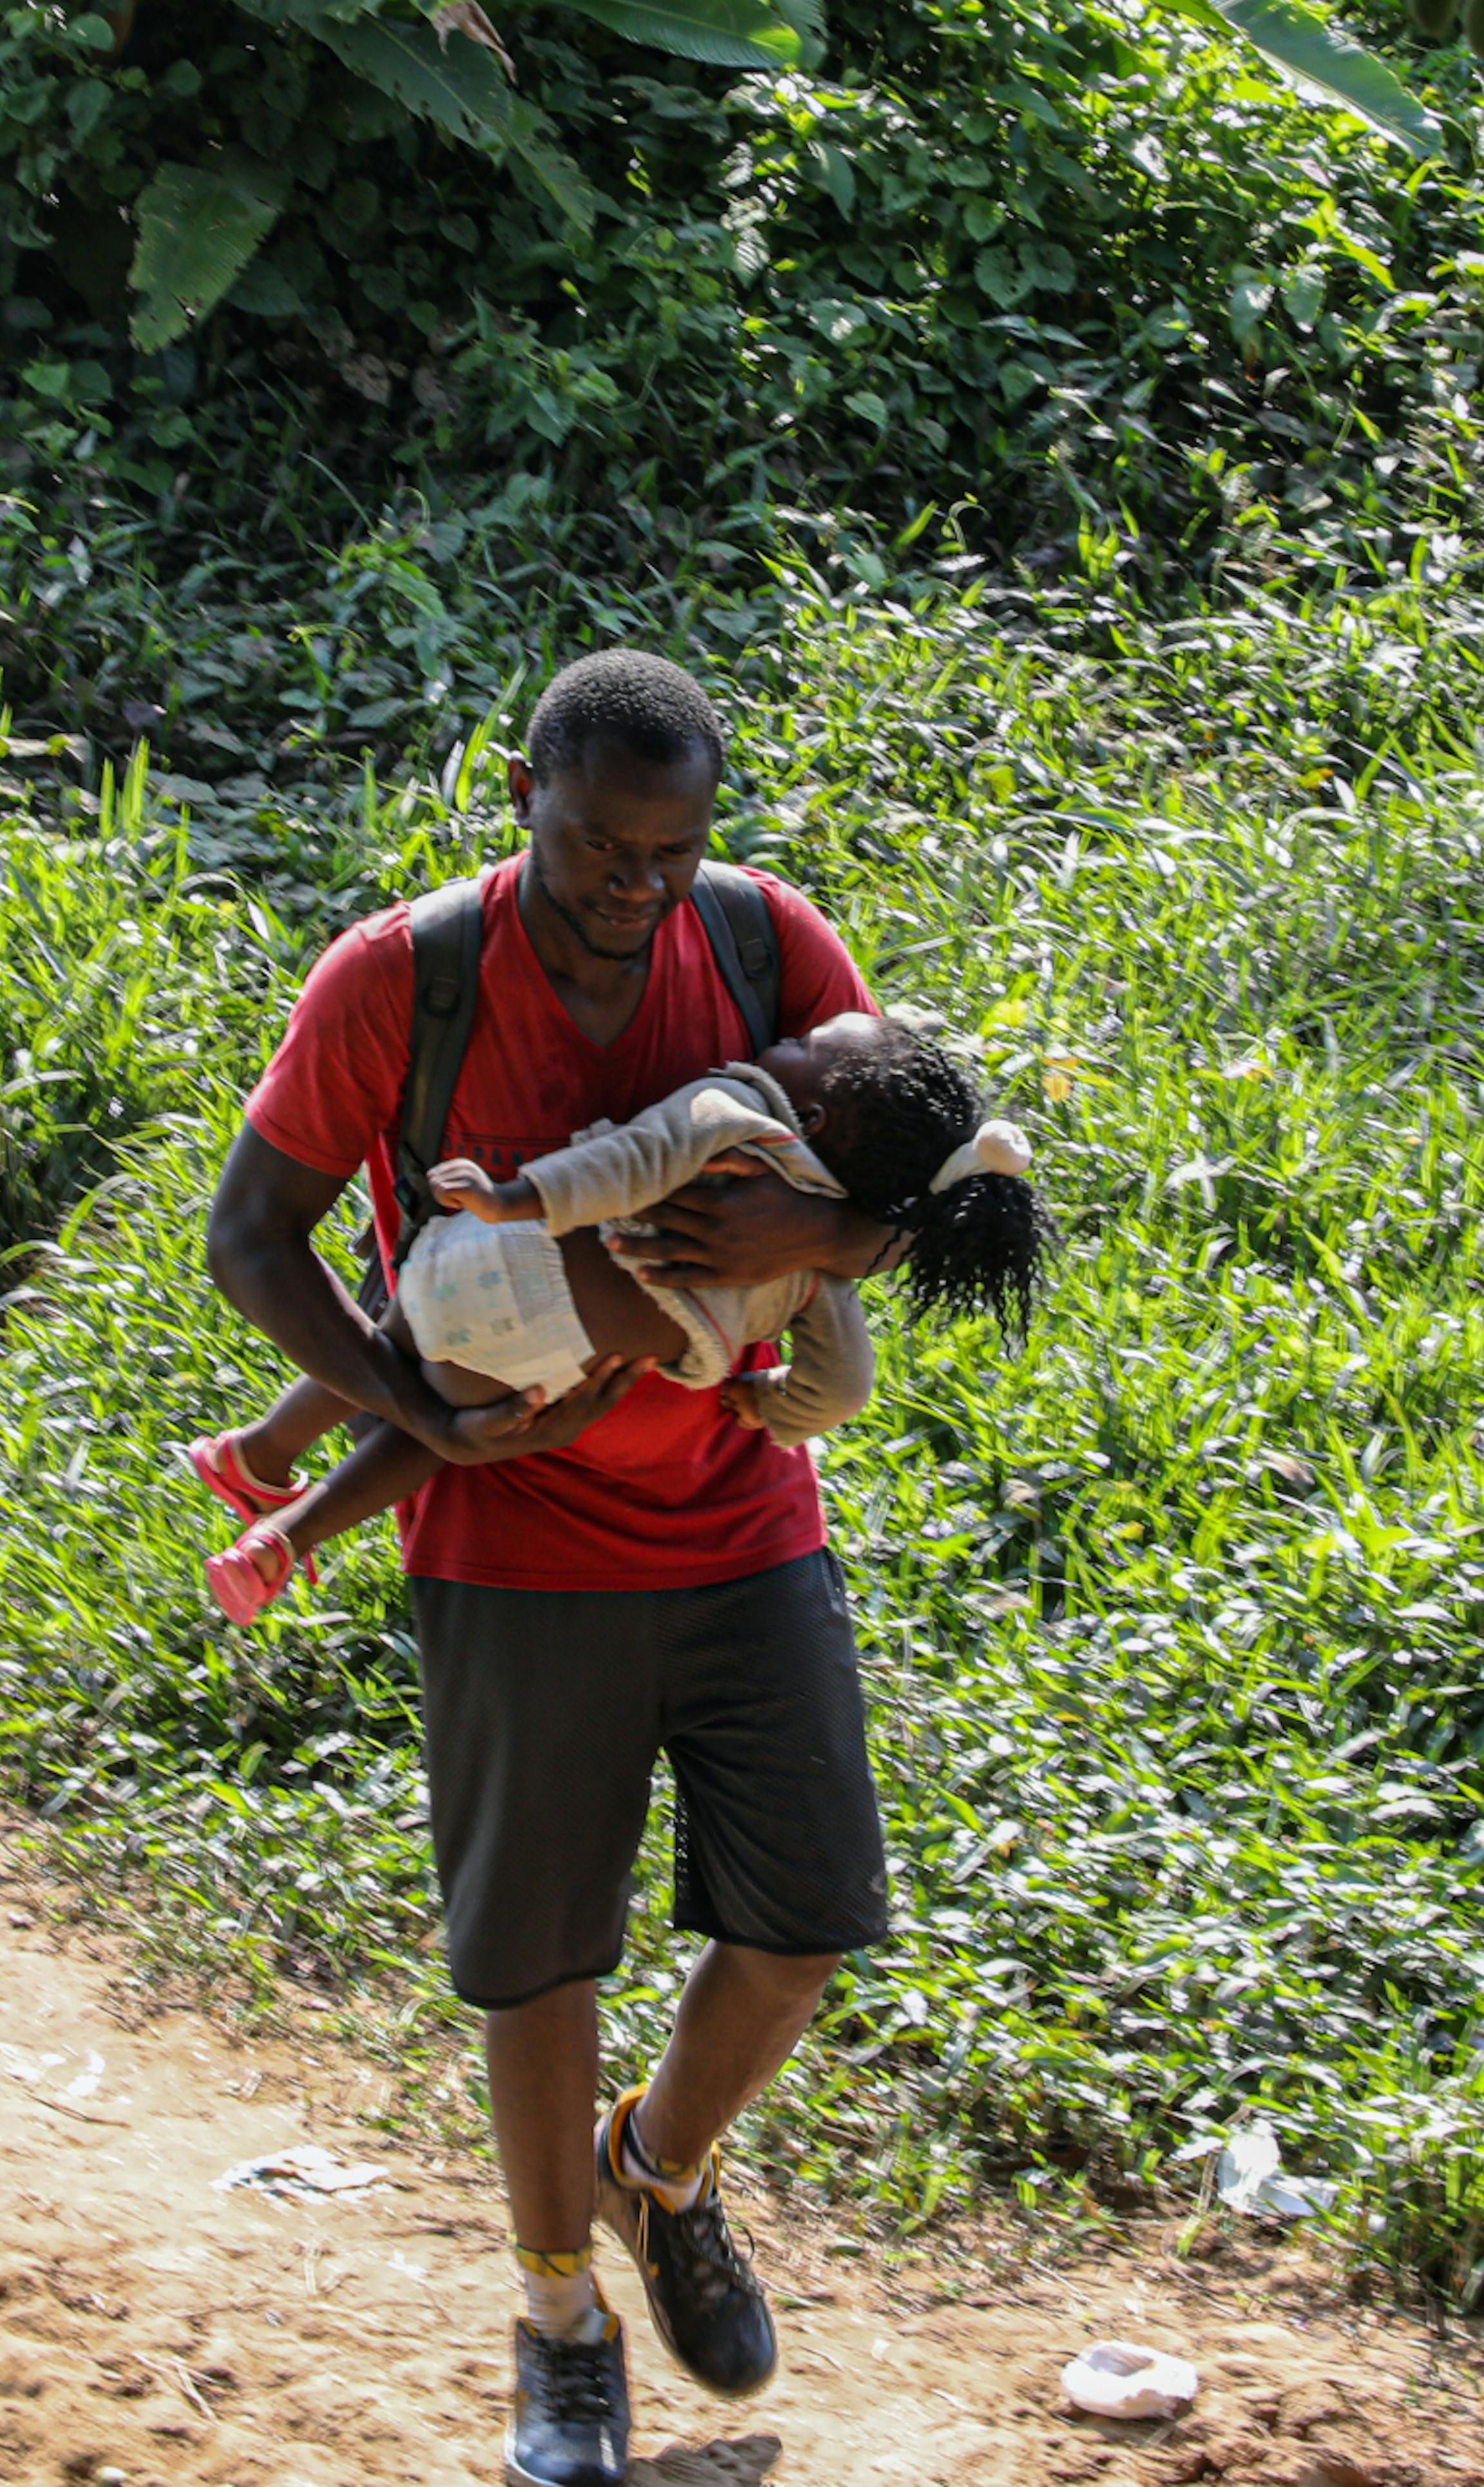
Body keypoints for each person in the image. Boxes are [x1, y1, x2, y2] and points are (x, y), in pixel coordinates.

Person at [200, 650, 930, 2487]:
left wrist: (824, 1223)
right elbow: (253, 1239)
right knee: (539, 1965)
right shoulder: (404, 978)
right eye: (603, 846)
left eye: (671, 854)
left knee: (809, 1920)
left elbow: (936, 1176)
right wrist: (413, 1418)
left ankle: (657, 2171)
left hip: (743, 1524)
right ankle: (559, 2326)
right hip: (513, 1548)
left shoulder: (770, 949)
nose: (637, 889)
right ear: (520, 793)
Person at [185, 1011, 1045, 1626]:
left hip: (497, 1259)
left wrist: (512, 1197)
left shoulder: (732, 1119)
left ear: (812, 1114)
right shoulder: (819, 1270)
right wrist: (767, 1400)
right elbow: (844, 1386)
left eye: (800, 1044)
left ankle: (262, 1451)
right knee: (435, 1429)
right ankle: (283, 1539)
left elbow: (623, 1161)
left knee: (393, 1359)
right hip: (546, 1360)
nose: (781, 1035)